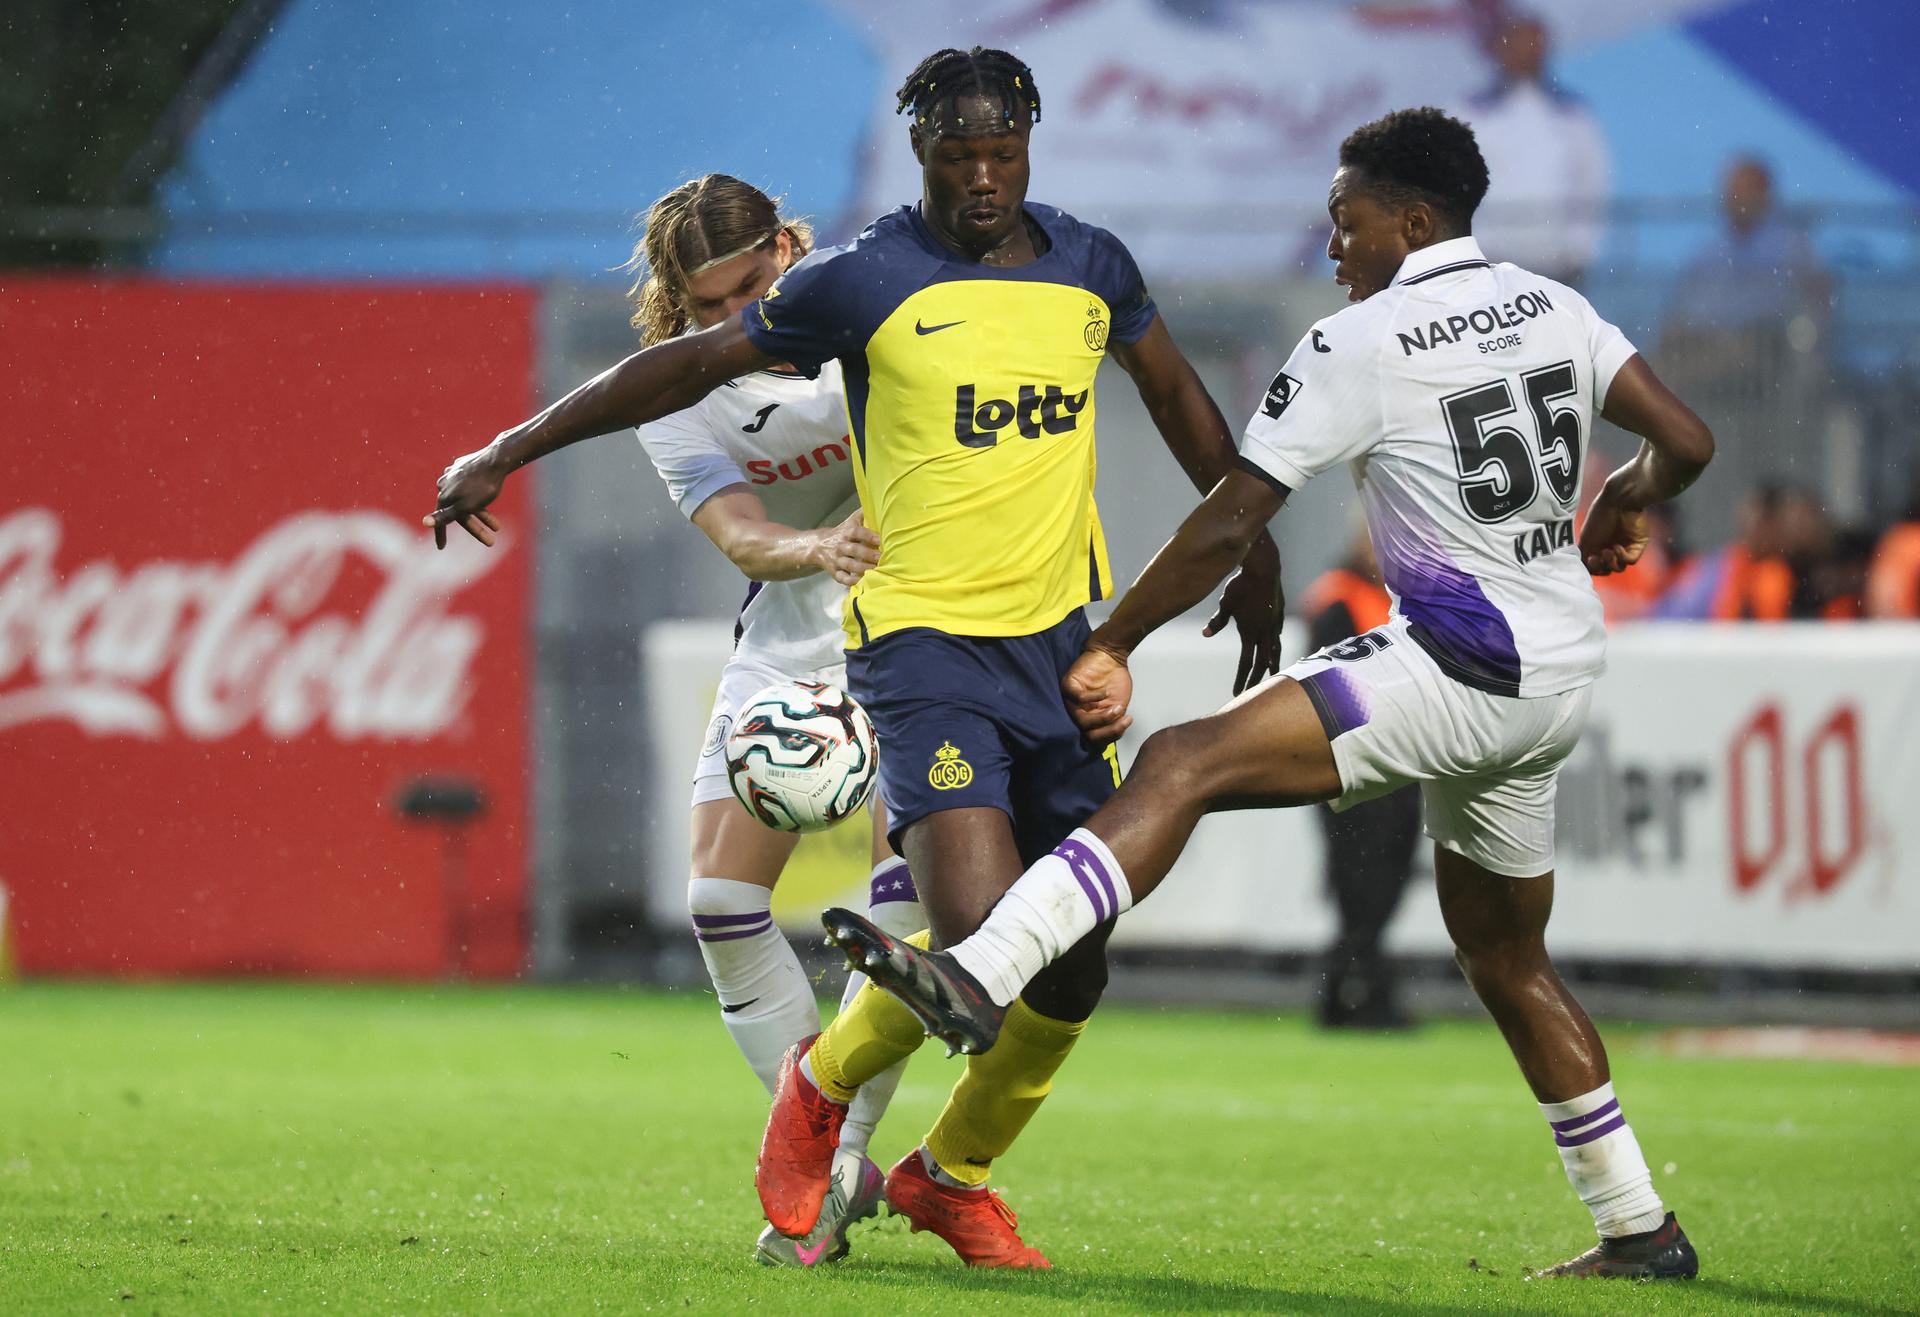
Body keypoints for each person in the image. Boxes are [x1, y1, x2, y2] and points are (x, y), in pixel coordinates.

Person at [425, 47, 1282, 1269]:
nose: (983, 175)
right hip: (913, 642)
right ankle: (817, 1097)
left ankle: (948, 1176)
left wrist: (1247, 539)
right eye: (957, 152)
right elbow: (682, 371)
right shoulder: (859, 282)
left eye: (1004, 151)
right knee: (968, 936)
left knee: (1072, 963)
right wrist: (510, 447)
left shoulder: (1092, 265)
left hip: (1055, 645)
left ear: (1031, 142)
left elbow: (1180, 397)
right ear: (919, 149)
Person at [827, 107, 1713, 1281]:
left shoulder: (1361, 341)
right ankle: (1639, 1227)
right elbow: (1688, 438)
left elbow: (1231, 520)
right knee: (1506, 959)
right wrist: (1632, 496)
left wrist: (1117, 638)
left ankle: (976, 972)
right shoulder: (1555, 305)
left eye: (1345, 223)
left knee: (1178, 763)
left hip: (1459, 664)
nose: (1331, 245)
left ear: (1411, 220)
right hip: (1557, 678)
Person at [615, 173, 932, 1267]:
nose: (736, 320)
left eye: (755, 286)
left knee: (909, 893)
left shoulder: (884, 307)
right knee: (717, 899)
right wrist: (816, 548)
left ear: (793, 246)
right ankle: (836, 1157)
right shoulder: (675, 392)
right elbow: (743, 534)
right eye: (708, 308)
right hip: (791, 630)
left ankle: (833, 1159)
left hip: (923, 623)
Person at [1298, 530, 1420, 1030]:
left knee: (1383, 881)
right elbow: (1328, 683)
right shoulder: (1339, 599)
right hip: (1355, 765)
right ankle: (1357, 993)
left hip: (1399, 764)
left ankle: (1349, 991)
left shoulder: (1393, 600)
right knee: (1361, 885)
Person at [1456, 12, 1611, 285]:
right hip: (1490, 263)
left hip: (1557, 265)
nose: (1527, 53)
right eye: (1518, 44)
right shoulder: (1471, 113)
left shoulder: (1572, 114)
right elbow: (1457, 185)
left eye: (1535, 44)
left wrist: (1581, 250)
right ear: (1500, 48)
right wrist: (1474, 252)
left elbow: (1592, 183)